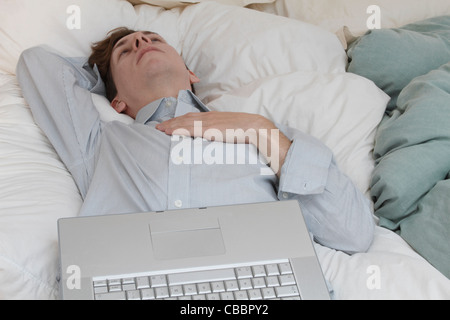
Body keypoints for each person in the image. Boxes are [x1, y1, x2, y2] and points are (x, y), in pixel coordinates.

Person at [16, 27, 374, 254]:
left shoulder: (268, 136)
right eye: (126, 51)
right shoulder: (102, 141)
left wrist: (256, 128)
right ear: (116, 102)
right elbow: (36, 62)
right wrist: (101, 69)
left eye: (154, 39)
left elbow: (353, 234)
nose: (142, 41)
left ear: (191, 72)